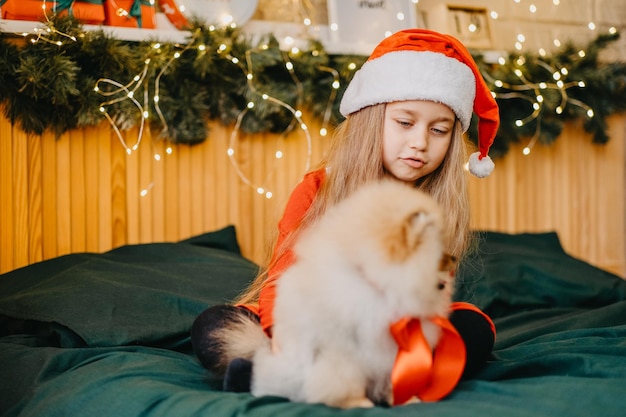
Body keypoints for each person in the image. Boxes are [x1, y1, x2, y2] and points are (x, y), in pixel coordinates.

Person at [191, 28, 499, 401]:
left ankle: (359, 378)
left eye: (438, 130)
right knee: (216, 325)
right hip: (312, 325)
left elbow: (427, 296)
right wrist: (285, 340)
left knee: (474, 327)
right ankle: (292, 369)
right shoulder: (319, 188)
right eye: (405, 123)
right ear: (373, 119)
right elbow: (284, 281)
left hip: (389, 333)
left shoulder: (438, 206)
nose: (420, 142)